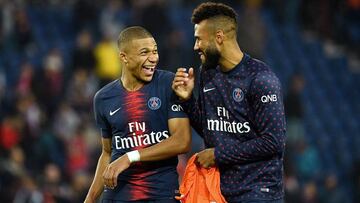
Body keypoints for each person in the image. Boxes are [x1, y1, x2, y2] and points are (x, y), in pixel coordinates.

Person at [172, 2, 286, 203]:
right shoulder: (208, 73)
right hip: (219, 190)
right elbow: (211, 131)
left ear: (219, 37)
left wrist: (218, 155)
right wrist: (188, 100)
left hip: (258, 192)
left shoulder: (261, 79)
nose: (195, 46)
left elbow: (273, 142)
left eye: (199, 39)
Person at [84, 26, 191, 203]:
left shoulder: (168, 84)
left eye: (155, 51)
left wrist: (130, 157)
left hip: (160, 194)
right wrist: (90, 199)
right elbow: (107, 153)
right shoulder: (103, 98)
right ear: (124, 57)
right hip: (118, 195)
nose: (153, 58)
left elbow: (182, 141)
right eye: (144, 53)